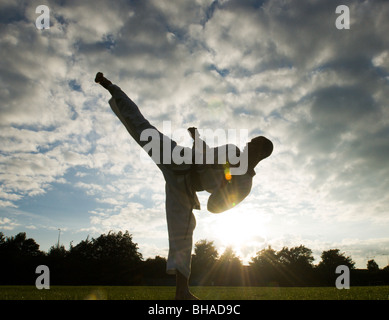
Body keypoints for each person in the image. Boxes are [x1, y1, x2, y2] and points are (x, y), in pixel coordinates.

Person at [95, 72, 273, 299]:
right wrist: (197, 139)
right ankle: (111, 87)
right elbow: (205, 155)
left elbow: (214, 207)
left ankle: (182, 292)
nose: (246, 144)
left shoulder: (245, 184)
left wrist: (226, 183)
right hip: (178, 159)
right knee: (142, 128)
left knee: (183, 234)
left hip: (185, 190)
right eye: (248, 142)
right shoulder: (234, 151)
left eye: (252, 144)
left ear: (259, 154)